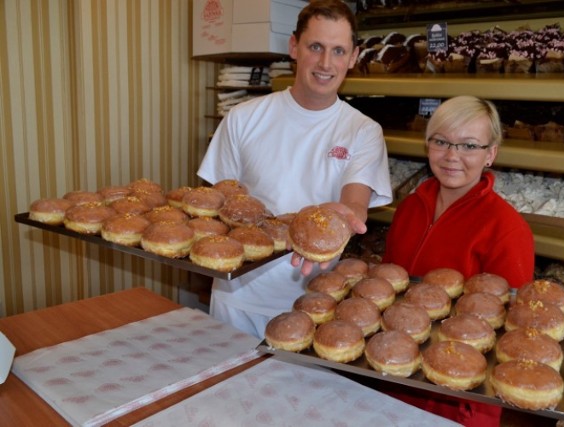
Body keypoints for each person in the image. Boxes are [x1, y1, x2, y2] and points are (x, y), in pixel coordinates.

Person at [197, 0, 392, 339]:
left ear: (353, 57)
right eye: (315, 47)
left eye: (338, 50)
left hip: (317, 307)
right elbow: (218, 202)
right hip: (238, 300)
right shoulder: (243, 118)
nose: (325, 63)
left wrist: (345, 215)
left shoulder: (363, 131)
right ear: (294, 47)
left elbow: (356, 202)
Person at [381, 95, 535, 427]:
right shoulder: (410, 207)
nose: (452, 156)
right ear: (428, 145)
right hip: (393, 374)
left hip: (456, 401)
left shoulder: (507, 228)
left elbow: (515, 327)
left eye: (469, 146)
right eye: (442, 142)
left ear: (490, 153)